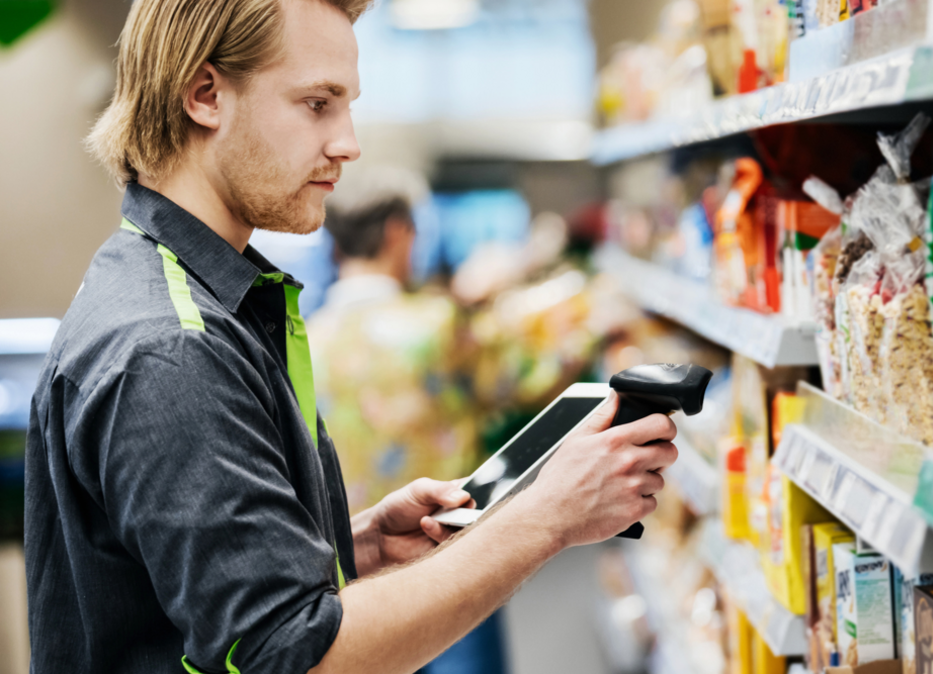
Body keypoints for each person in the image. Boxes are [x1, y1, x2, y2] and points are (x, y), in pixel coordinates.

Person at [23, 1, 678, 673]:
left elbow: (178, 585)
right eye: (317, 104)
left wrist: (347, 545)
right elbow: (293, 658)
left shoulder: (168, 288)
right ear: (204, 95)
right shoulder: (172, 346)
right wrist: (550, 516)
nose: (349, 143)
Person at [308, 166, 507, 674]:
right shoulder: (437, 326)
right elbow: (518, 376)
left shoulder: (302, 341)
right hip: (448, 552)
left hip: (348, 580)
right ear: (399, 232)